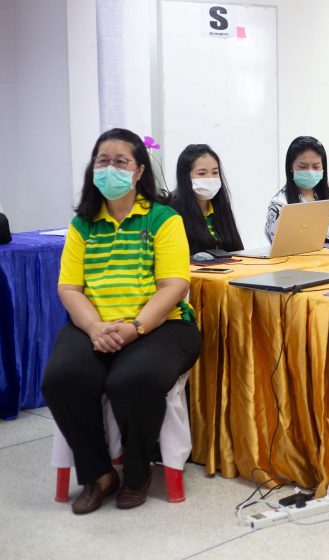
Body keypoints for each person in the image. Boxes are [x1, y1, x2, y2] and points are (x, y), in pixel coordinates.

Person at [41, 128, 202, 514]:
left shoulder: (163, 219)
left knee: (132, 380)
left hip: (161, 325)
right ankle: (98, 475)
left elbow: (174, 285)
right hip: (95, 324)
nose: (109, 168)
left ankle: (136, 471)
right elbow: (70, 288)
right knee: (61, 378)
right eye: (102, 161)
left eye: (120, 161)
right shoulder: (83, 224)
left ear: (139, 170)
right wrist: (95, 328)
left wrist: (135, 328)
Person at [264, 136, 329, 241]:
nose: (310, 172)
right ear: (291, 167)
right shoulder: (280, 203)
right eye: (303, 167)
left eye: (316, 166)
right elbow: (278, 244)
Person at [171, 144, 244, 254]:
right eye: (202, 173)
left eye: (215, 172)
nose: (210, 178)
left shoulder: (221, 206)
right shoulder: (172, 210)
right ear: (185, 177)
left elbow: (236, 250)